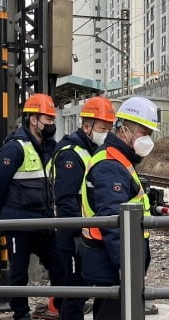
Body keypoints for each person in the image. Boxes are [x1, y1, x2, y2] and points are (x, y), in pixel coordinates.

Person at [80, 97, 158, 320]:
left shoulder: (119, 159)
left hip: (113, 258)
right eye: (145, 133)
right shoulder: (110, 165)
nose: (148, 140)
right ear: (125, 130)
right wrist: (127, 265)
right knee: (111, 313)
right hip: (111, 261)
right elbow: (113, 220)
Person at [0, 93, 65, 320]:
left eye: (52, 119)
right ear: (33, 120)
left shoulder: (49, 147)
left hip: (43, 220)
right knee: (18, 274)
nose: (52, 124)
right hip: (19, 222)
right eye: (48, 119)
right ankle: (21, 315)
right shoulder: (15, 148)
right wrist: (7, 214)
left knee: (60, 267)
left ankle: (61, 306)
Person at [49, 96, 115, 320]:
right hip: (74, 236)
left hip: (85, 233)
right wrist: (79, 232)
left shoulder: (89, 150)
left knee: (81, 290)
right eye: (102, 128)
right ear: (87, 126)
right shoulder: (71, 153)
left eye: (109, 128)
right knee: (75, 295)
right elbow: (66, 200)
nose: (106, 132)